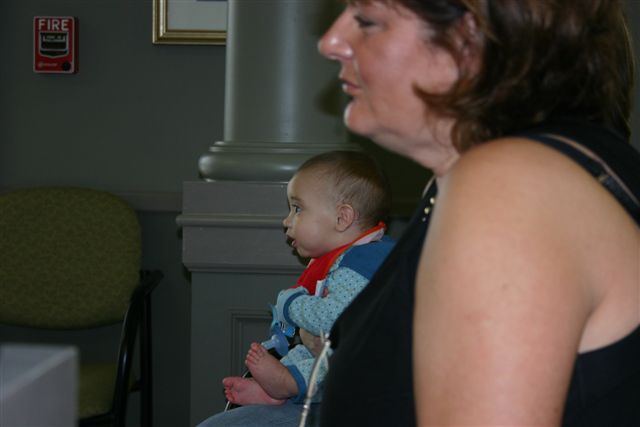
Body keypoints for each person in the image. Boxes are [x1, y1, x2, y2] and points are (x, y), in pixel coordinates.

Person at [316, 0, 639, 426]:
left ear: (472, 37)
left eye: (367, 20)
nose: (331, 42)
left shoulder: (509, 188)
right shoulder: (562, 166)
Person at [196, 150, 395, 426]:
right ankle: (277, 391)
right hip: (349, 373)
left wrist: (291, 305)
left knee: (328, 354)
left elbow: (334, 319)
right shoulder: (351, 258)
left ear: (342, 218)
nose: (287, 221)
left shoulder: (363, 262)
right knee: (310, 348)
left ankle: (287, 385)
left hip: (366, 379)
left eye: (297, 209)